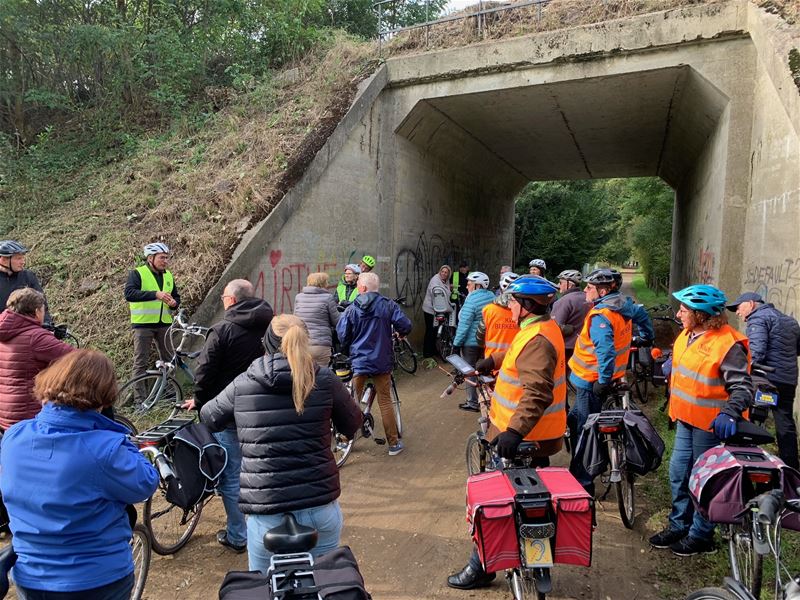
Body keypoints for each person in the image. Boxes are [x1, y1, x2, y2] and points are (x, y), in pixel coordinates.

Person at [200, 315, 362, 573]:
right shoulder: (325, 379)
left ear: (265, 342)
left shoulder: (244, 383)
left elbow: (208, 417)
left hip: (266, 510)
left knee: (266, 587)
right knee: (326, 582)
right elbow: (353, 424)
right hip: (319, 507)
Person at [1, 349, 159, 599]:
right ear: (103, 398)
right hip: (96, 579)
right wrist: (120, 438)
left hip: (30, 576)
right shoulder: (106, 450)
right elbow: (145, 483)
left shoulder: (13, 436)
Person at [447, 275, 566, 590]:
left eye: (513, 301)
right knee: (534, 500)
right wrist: (489, 362)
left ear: (527, 305)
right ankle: (539, 556)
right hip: (539, 435)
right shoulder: (536, 330)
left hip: (524, 436)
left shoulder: (537, 339)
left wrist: (513, 432)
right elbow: (515, 354)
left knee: (498, 504)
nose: (509, 305)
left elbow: (537, 391)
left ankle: (482, 566)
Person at [649, 285, 754, 556]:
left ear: (700, 314)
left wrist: (730, 412)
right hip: (685, 418)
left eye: (684, 310)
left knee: (704, 480)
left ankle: (701, 535)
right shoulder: (687, 334)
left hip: (710, 424)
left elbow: (743, 387)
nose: (679, 313)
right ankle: (679, 524)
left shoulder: (727, 343)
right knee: (678, 474)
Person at [183, 278, 273, 554]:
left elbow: (205, 373)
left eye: (223, 298)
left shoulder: (222, 330)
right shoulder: (270, 325)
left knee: (231, 477)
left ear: (231, 300)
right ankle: (265, 525)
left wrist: (198, 400)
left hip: (228, 413)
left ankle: (238, 535)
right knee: (260, 470)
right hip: (262, 410)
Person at [567, 268, 653, 494]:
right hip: (613, 375)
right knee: (574, 419)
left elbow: (604, 351)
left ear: (602, 290)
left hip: (591, 380)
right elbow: (642, 316)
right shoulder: (623, 305)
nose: (585, 290)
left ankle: (582, 482)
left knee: (587, 431)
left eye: (589, 287)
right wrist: (646, 336)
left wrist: (602, 381)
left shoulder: (601, 316)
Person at [337, 272, 412, 455]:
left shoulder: (352, 308)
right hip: (381, 362)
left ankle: (345, 439)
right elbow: (406, 325)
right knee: (385, 402)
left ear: (362, 288)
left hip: (359, 362)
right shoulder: (388, 305)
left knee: (352, 401)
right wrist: (400, 334)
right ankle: (393, 444)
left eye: (357, 286)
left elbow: (342, 335)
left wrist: (350, 347)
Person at [726, 291, 800, 469]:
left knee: (749, 415)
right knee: (785, 424)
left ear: (751, 304)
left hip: (766, 381)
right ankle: (791, 470)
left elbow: (756, 354)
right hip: (788, 380)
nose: (737, 312)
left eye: (738, 307)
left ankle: (749, 462)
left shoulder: (758, 319)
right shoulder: (790, 321)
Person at [0, 288, 74, 431]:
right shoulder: (36, 337)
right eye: (43, 309)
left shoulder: (5, 332)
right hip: (28, 416)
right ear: (36, 312)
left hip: (5, 414)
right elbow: (77, 358)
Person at [124, 242, 180, 403]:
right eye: (162, 257)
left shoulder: (168, 275)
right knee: (141, 361)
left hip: (164, 324)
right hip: (143, 325)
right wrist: (155, 294)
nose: (165, 261)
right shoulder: (137, 273)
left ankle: (170, 393)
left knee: (169, 360)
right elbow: (129, 293)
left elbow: (176, 297)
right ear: (150, 258)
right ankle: (139, 400)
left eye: (167, 258)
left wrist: (174, 304)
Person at [453, 272, 495, 412]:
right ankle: (489, 400)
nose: (467, 286)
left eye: (469, 283)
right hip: (487, 342)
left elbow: (464, 324)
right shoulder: (492, 297)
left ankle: (472, 402)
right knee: (485, 371)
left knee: (470, 372)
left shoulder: (471, 300)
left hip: (470, 343)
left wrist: (456, 344)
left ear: (477, 285)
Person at [295, 272, 340, 367]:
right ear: (323, 283)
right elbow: (337, 322)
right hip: (321, 345)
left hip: (302, 344)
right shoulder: (328, 298)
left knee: (303, 376)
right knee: (321, 376)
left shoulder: (298, 297)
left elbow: (295, 320)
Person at [0, 240, 50, 325]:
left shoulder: (28, 276)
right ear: (3, 260)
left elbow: (41, 304)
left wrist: (47, 324)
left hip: (28, 329)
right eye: (18, 258)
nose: (23, 262)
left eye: (23, 258)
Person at [550, 269, 590, 366]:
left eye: (561, 282)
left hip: (567, 347)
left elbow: (554, 328)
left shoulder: (564, 301)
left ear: (570, 284)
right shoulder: (588, 298)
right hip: (585, 347)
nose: (558, 285)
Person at [421, 265, 453, 359]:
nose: (443, 273)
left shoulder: (446, 281)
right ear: (439, 271)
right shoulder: (435, 280)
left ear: (448, 274)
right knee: (430, 331)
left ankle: (433, 350)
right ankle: (426, 353)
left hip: (438, 310)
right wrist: (448, 292)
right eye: (442, 271)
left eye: (446, 272)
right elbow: (436, 292)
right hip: (430, 309)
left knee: (435, 332)